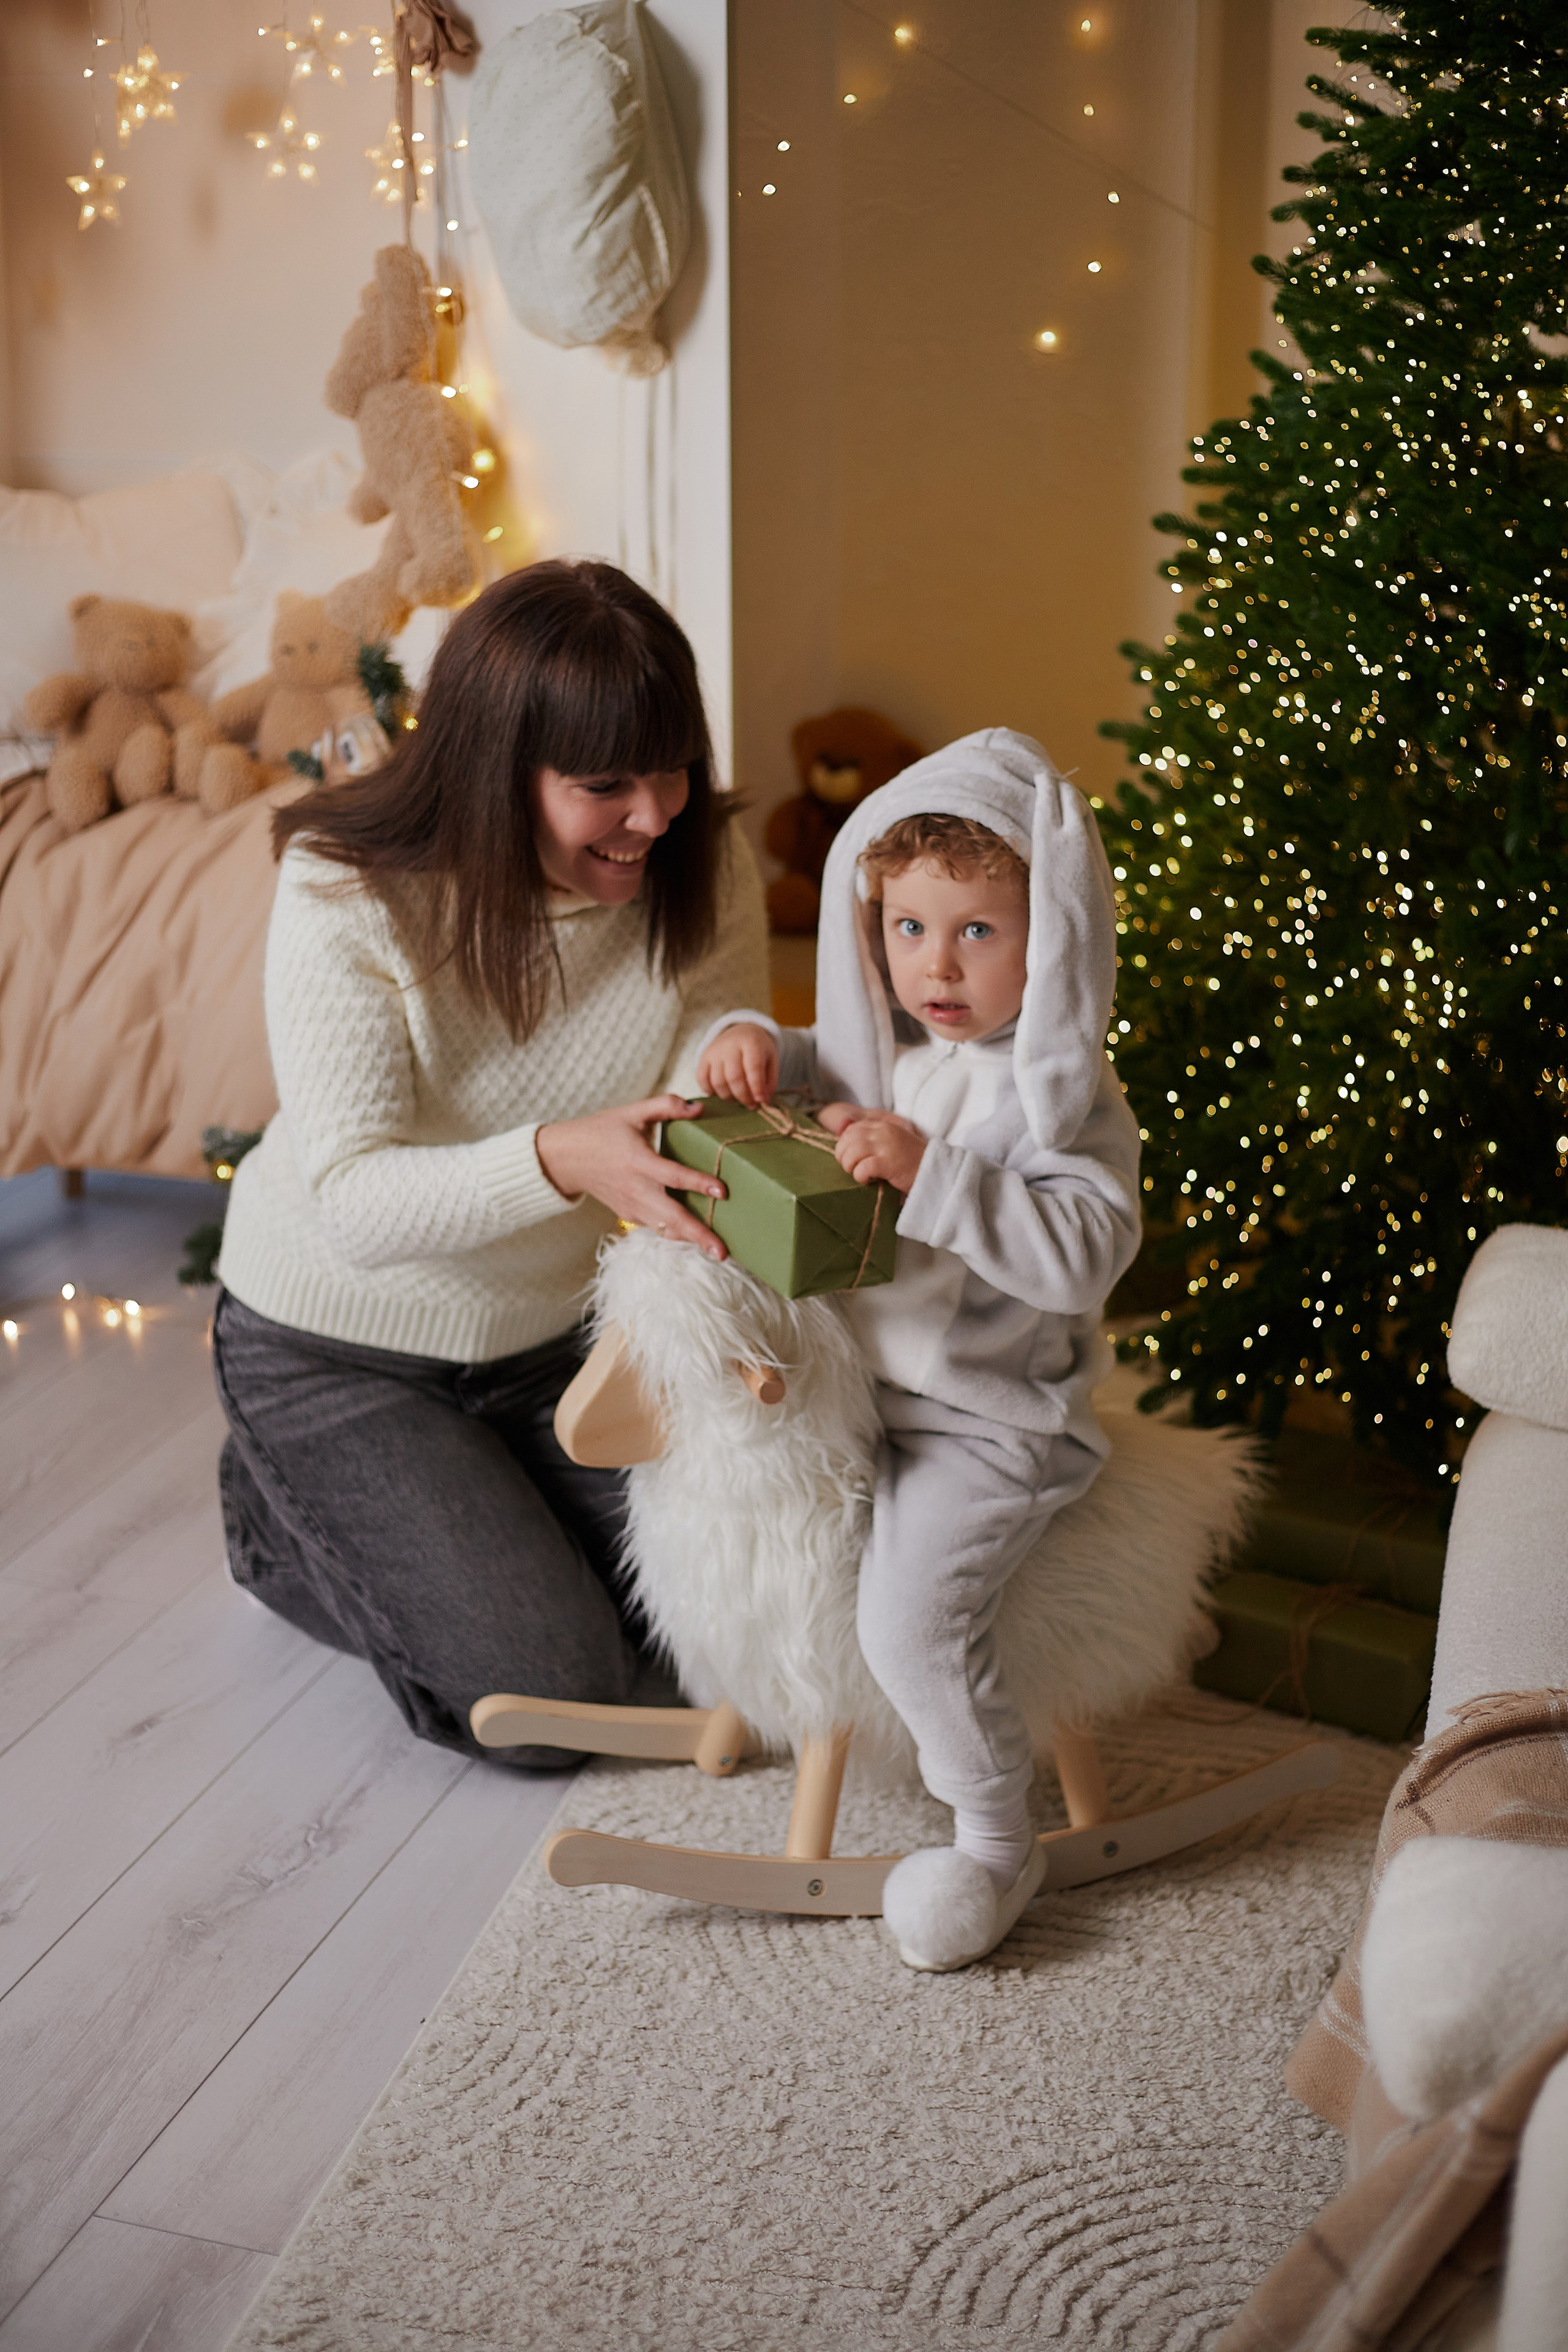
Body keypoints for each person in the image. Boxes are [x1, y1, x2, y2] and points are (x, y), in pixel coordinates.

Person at [213, 560, 768, 1763]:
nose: (654, 813)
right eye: (603, 785)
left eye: (670, 766)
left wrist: (738, 1045)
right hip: (339, 1344)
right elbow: (356, 1202)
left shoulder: (694, 859)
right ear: (491, 768)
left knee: (720, 1634)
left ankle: (422, 1519)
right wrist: (563, 1159)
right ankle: (273, 1519)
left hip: (545, 1341)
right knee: (557, 1701)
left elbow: (701, 1034)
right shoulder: (345, 890)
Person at [696, 728, 1140, 1967]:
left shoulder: (1067, 1104)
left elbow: (1082, 1254)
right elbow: (809, 1068)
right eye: (905, 929)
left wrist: (932, 1179)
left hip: (989, 1423)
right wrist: (746, 1043)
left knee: (907, 1622)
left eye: (977, 933)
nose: (934, 966)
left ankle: (995, 1842)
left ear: (1049, 936)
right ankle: (730, 1692)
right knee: (723, 1490)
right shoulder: (888, 1054)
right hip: (856, 1392)